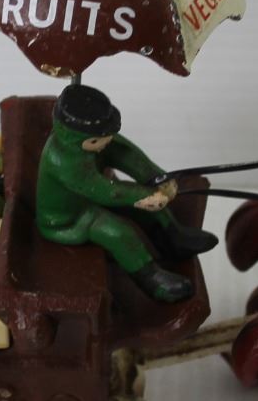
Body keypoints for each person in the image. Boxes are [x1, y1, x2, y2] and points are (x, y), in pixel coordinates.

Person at [35, 84, 218, 303]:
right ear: (74, 137)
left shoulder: (96, 140)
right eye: (98, 140)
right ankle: (151, 279)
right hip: (69, 219)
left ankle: (174, 239)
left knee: (152, 210)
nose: (108, 141)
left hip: (91, 199)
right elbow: (102, 190)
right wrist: (143, 196)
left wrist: (158, 179)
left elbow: (127, 156)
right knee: (117, 232)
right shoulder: (63, 160)